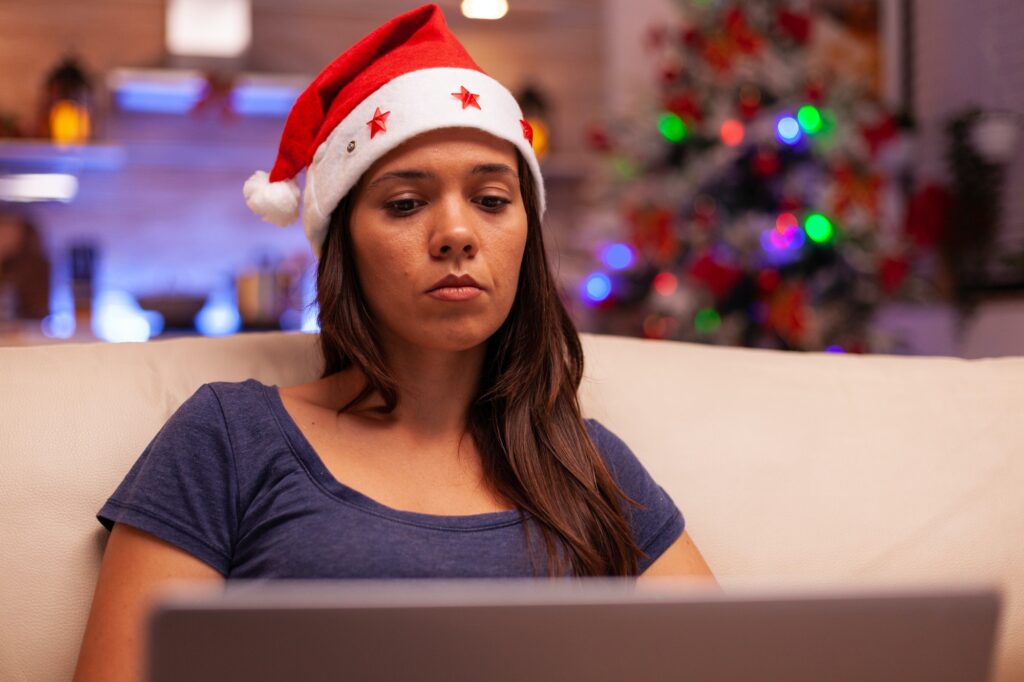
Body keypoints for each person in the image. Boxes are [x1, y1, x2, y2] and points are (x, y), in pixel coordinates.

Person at [74, 5, 716, 680]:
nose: (457, 234)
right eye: (406, 203)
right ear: (342, 244)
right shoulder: (228, 439)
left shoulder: (587, 464)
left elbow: (734, 656)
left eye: (492, 200)